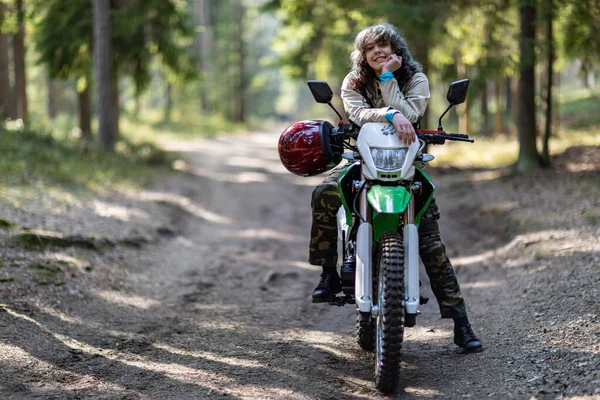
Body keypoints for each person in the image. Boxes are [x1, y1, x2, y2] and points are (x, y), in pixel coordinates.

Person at [308, 23, 482, 352]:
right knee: (324, 194)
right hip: (362, 159)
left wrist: (389, 80)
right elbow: (357, 114)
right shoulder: (352, 82)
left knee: (430, 242)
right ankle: (328, 272)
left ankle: (461, 322)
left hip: (405, 165)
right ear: (362, 54)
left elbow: (412, 113)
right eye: (370, 48)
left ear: (395, 47)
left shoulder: (414, 77)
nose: (378, 52)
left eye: (383, 46)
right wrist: (389, 113)